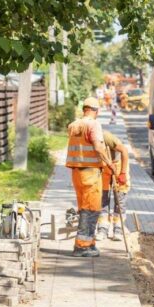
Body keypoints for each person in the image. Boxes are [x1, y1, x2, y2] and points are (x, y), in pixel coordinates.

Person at [65, 97, 118, 257]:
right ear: (97, 111)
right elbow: (98, 146)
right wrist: (110, 163)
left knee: (84, 208)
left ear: (84, 109)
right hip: (90, 173)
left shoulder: (74, 125)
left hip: (77, 173)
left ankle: (90, 242)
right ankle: (82, 246)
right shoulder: (93, 124)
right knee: (92, 209)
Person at [96, 130, 130, 241]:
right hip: (104, 167)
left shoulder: (105, 136)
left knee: (119, 199)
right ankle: (102, 229)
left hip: (118, 166)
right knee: (103, 199)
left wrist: (123, 173)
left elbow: (124, 151)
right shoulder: (88, 139)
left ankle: (118, 230)